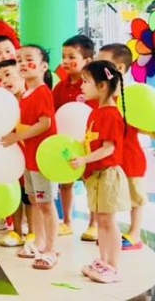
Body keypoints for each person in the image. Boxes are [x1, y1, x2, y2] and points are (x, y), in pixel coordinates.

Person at [1, 45, 59, 271]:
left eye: (29, 59)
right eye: (19, 60)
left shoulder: (43, 92)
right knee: (35, 202)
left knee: (46, 204)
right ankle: (40, 242)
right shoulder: (25, 95)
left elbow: (45, 123)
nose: (23, 64)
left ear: (44, 66)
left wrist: (17, 136)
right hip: (29, 159)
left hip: (42, 159)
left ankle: (51, 249)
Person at [71, 60, 130, 283]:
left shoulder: (111, 114)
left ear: (102, 85)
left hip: (108, 175)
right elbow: (91, 142)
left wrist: (84, 159)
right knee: (102, 221)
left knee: (108, 221)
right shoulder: (96, 112)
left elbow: (109, 148)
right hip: (96, 176)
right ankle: (104, 261)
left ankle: (114, 267)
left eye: (86, 82)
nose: (82, 86)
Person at [97, 44, 147, 251]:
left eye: (103, 63)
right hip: (110, 158)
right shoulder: (102, 96)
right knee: (111, 196)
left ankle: (135, 234)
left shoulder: (130, 97)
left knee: (135, 197)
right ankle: (111, 232)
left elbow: (145, 123)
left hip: (130, 156)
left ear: (119, 68)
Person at [52, 35, 96, 239]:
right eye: (63, 56)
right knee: (66, 181)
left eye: (72, 57)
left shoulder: (93, 86)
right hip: (67, 143)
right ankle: (67, 221)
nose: (66, 61)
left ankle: (94, 223)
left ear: (87, 61)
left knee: (91, 182)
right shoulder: (60, 87)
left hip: (89, 143)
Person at [0, 59, 35, 248]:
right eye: (0, 79)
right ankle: (16, 231)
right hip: (12, 157)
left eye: (8, 74)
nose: (4, 81)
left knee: (30, 196)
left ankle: (33, 232)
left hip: (31, 156)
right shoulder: (3, 106)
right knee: (16, 192)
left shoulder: (31, 99)